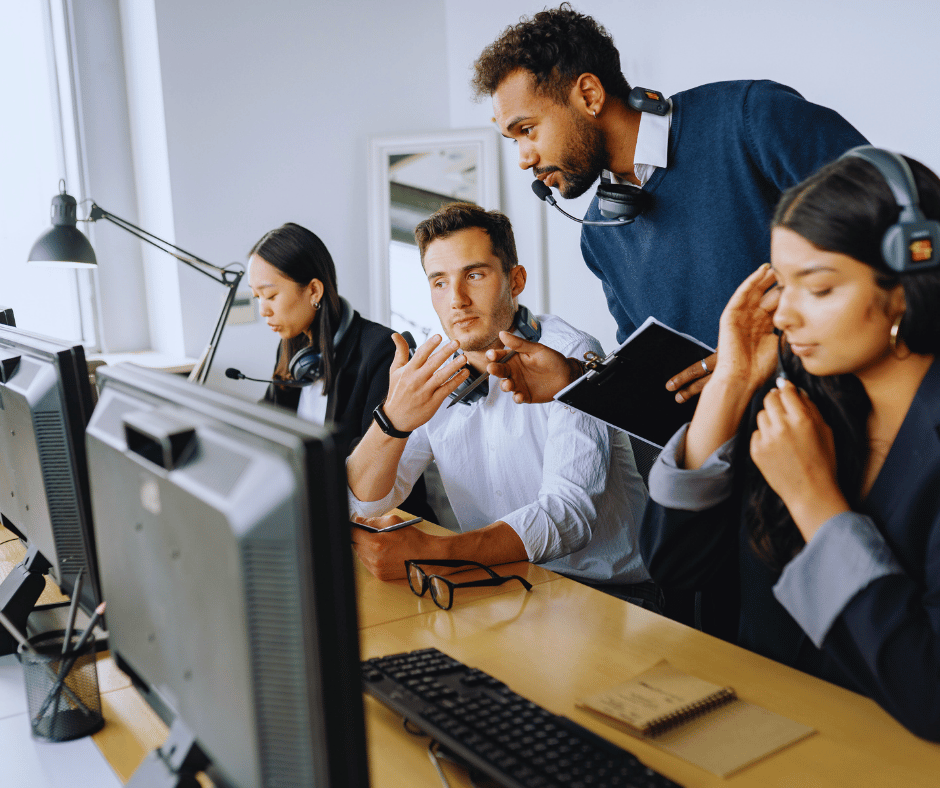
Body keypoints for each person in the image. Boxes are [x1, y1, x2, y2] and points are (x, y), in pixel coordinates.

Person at [641, 149, 940, 740]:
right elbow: (675, 568)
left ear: (906, 286)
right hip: (757, 737)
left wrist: (814, 501)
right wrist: (730, 382)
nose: (786, 318)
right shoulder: (797, 402)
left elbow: (929, 695)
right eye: (784, 286)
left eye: (820, 289)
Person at [471, 3, 868, 404]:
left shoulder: (749, 119)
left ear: (589, 95)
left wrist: (770, 353)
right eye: (514, 140)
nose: (524, 158)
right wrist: (575, 377)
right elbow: (657, 382)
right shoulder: (600, 236)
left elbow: (892, 230)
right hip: (736, 458)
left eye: (527, 130)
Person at [347, 204, 656, 607]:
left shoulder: (572, 355)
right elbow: (367, 502)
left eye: (474, 275)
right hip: (502, 584)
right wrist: (391, 421)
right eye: (439, 282)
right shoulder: (434, 372)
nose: (456, 299)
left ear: (516, 280)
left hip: (608, 594)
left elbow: (568, 517)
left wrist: (436, 552)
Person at [247, 222, 434, 520]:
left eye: (270, 296)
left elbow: (371, 464)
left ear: (313, 290)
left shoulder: (379, 351)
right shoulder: (293, 351)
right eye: (256, 298)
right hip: (316, 509)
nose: (263, 311)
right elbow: (269, 424)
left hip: (381, 520)